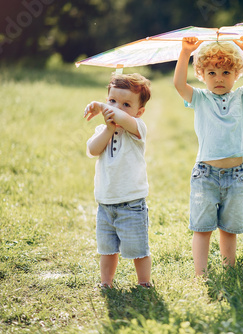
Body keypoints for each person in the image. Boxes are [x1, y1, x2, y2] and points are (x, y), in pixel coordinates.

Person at [173, 35, 243, 276]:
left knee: (229, 228)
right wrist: (185, 53)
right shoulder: (200, 98)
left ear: (236, 74)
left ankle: (230, 269)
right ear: (202, 74)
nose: (219, 79)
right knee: (202, 228)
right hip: (206, 175)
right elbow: (179, 85)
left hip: (236, 176)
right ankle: (200, 274)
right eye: (212, 73)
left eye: (226, 72)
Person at [84, 73, 152, 288]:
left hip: (131, 203)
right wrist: (108, 128)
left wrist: (100, 106)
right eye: (112, 101)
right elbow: (92, 150)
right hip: (105, 202)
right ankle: (106, 282)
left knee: (138, 249)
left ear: (138, 112)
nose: (117, 108)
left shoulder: (137, 128)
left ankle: (144, 282)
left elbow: (122, 119)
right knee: (107, 249)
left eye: (126, 104)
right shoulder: (103, 129)